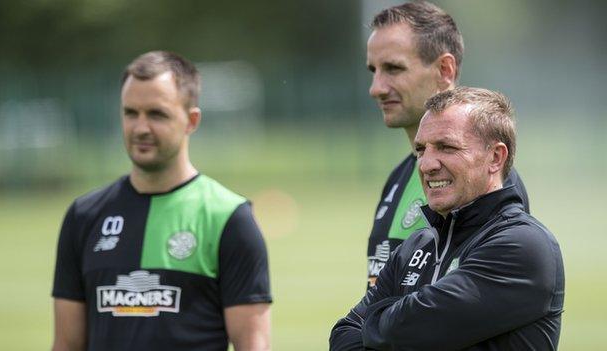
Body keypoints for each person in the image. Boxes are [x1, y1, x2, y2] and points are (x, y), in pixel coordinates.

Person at [51, 51, 272, 351]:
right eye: (131, 113)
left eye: (157, 114)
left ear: (191, 121)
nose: (141, 128)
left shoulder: (229, 218)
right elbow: (66, 344)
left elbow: (253, 345)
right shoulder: (84, 216)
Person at [330, 87, 565, 350]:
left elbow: (414, 331)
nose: (426, 164)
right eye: (421, 150)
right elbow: (344, 335)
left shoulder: (522, 245)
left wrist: (378, 321)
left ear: (495, 157)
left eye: (446, 147)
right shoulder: (414, 246)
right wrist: (392, 324)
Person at [364, 1, 530, 289]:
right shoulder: (401, 177)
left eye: (393, 68)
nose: (376, 87)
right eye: (374, 70)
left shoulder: (486, 184)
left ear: (444, 69)